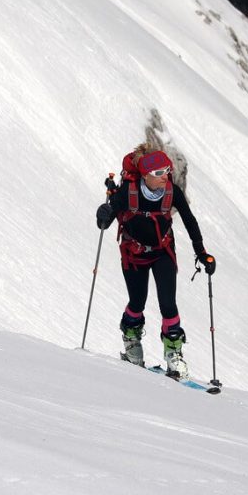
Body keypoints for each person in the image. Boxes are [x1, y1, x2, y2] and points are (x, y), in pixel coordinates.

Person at [96, 144, 216, 378]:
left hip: (162, 252)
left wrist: (202, 253)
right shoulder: (129, 191)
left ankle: (174, 354)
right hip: (133, 254)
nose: (165, 177)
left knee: (168, 303)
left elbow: (191, 222)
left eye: (167, 171)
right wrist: (103, 214)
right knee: (137, 301)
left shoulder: (173, 192)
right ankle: (131, 342)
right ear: (146, 175)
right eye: (159, 173)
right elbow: (107, 220)